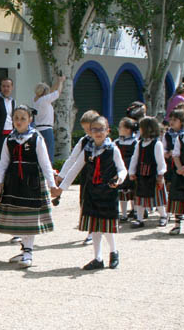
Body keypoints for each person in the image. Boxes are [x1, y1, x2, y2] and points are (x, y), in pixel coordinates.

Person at [54, 116, 127, 270]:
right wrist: (62, 187)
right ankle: (97, 258)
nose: (98, 132)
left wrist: (119, 179)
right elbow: (75, 169)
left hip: (108, 192)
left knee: (106, 225)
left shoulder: (112, 149)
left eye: (101, 129)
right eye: (94, 129)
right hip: (92, 192)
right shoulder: (87, 150)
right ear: (90, 132)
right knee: (94, 226)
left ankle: (114, 252)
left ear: (107, 131)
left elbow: (122, 169)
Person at [0, 106, 59, 268]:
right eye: (16, 118)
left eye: (23, 118)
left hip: (32, 180)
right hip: (13, 181)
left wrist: (52, 184)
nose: (19, 121)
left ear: (30, 119)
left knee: (29, 215)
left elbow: (45, 162)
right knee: (18, 216)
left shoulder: (36, 137)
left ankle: (29, 251)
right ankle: (24, 249)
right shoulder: (9, 139)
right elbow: (3, 162)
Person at [56, 110, 100, 245]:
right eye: (85, 129)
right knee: (85, 201)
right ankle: (91, 230)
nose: (87, 132)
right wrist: (62, 176)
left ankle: (95, 231)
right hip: (87, 175)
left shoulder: (104, 142)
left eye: (89, 129)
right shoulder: (84, 141)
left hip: (101, 175)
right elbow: (72, 159)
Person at [128, 117, 169, 228]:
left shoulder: (157, 144)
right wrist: (132, 171)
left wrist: (160, 174)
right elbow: (134, 158)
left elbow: (160, 161)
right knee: (140, 198)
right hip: (141, 175)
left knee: (157, 198)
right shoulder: (139, 144)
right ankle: (139, 219)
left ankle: (163, 216)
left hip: (153, 176)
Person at [32, 75, 65, 163]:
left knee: (39, 153)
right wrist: (61, 82)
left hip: (38, 129)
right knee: (49, 154)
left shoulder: (35, 100)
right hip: (46, 129)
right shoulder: (45, 100)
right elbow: (58, 92)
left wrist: (57, 82)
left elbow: (51, 91)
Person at [114, 117, 138, 221]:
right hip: (121, 168)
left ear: (128, 129)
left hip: (132, 168)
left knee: (133, 191)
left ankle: (136, 211)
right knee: (122, 191)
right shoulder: (116, 142)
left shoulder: (135, 142)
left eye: (120, 127)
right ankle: (123, 214)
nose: (118, 129)